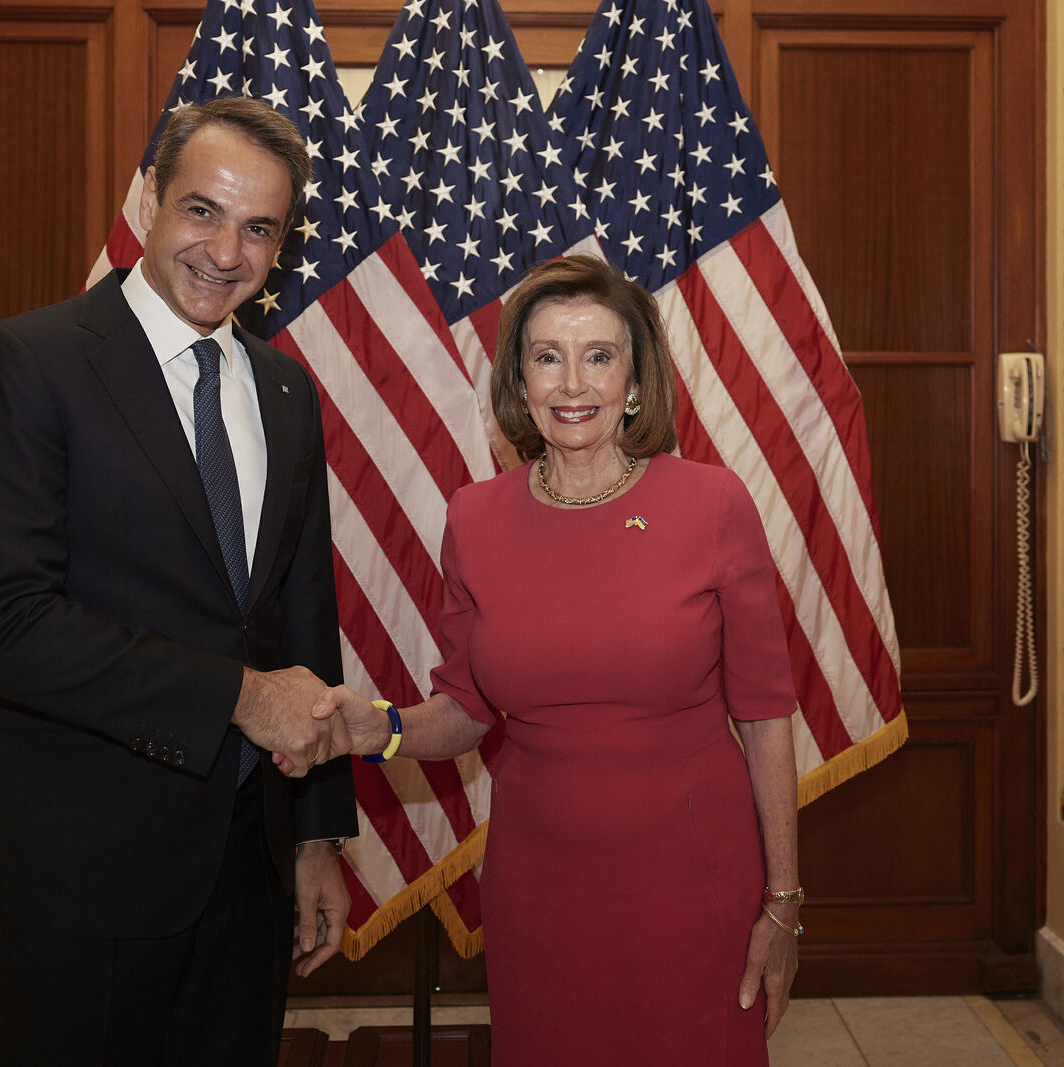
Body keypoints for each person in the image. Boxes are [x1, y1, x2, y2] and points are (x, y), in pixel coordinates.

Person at [284, 255, 802, 1064]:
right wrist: (376, 727)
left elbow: (766, 713)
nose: (573, 383)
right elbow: (466, 707)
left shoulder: (713, 504)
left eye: (599, 355)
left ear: (636, 381)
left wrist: (783, 898)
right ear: (519, 384)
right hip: (539, 886)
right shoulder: (476, 518)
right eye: (547, 356)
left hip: (694, 880)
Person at [0, 96, 357, 1066]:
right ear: (147, 199)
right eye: (202, 210)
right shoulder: (25, 364)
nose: (226, 252)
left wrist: (315, 838)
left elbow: (302, 621)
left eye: (260, 228)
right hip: (86, 876)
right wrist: (239, 696)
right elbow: (6, 626)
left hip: (249, 872)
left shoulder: (286, 392)